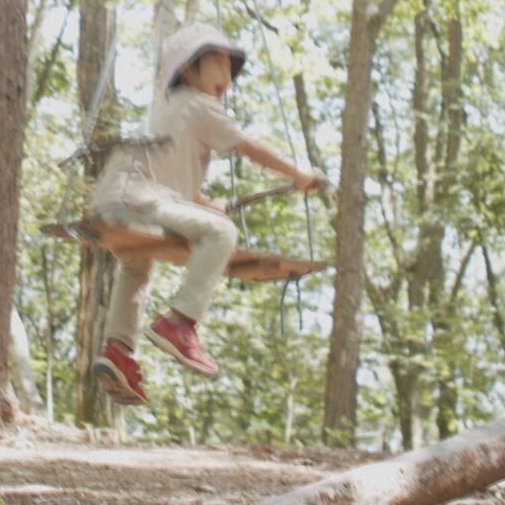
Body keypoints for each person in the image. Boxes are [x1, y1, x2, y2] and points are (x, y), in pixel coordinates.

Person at [88, 23, 326, 405]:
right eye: (219, 64)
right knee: (222, 234)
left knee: (135, 266)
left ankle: (118, 351)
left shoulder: (165, 109)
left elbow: (169, 177)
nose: (227, 77)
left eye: (232, 69)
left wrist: (203, 202)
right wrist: (297, 173)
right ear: (190, 69)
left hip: (115, 202)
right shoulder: (199, 104)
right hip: (144, 200)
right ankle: (179, 323)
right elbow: (249, 147)